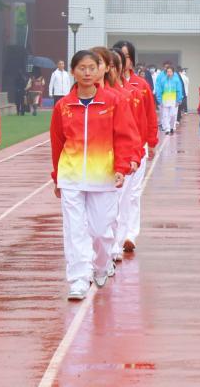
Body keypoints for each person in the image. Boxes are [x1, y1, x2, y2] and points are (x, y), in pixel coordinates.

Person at [51, 50, 140, 300]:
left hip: (103, 176)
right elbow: (57, 143)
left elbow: (125, 136)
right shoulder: (63, 106)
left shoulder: (113, 102)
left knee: (101, 231)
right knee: (74, 230)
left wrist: (121, 167)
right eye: (82, 68)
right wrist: (57, 176)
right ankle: (78, 279)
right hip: (71, 177)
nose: (87, 73)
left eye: (92, 68)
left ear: (100, 70)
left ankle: (101, 264)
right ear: (73, 72)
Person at [112, 40, 158, 256]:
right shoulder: (108, 87)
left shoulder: (141, 86)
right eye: (119, 56)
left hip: (138, 147)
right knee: (117, 195)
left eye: (127, 56)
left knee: (133, 194)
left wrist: (152, 141)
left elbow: (150, 115)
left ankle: (130, 234)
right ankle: (115, 239)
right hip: (115, 150)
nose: (123, 61)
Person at [154, 66, 185, 135]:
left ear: (173, 72)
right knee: (165, 115)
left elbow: (179, 90)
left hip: (174, 100)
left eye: (170, 71)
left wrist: (179, 99)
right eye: (168, 72)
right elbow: (159, 90)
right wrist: (159, 100)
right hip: (165, 100)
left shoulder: (176, 80)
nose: (169, 73)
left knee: (173, 115)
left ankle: (171, 127)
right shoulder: (163, 80)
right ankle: (167, 129)